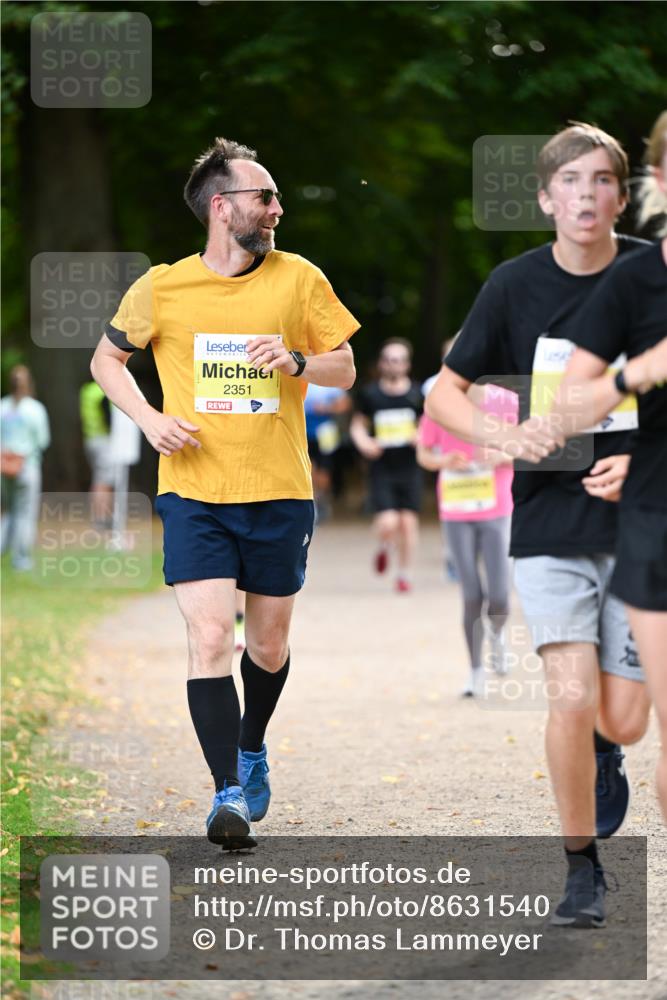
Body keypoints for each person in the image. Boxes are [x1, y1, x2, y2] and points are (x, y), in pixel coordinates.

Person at [90, 136, 359, 848]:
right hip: (194, 491)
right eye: (263, 197)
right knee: (209, 636)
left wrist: (299, 359)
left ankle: (251, 745)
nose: (276, 208)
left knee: (266, 648)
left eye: (273, 198)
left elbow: (346, 369)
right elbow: (106, 360)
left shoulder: (298, 278)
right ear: (221, 206)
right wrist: (149, 420)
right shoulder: (162, 286)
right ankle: (226, 794)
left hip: (278, 490)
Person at [425, 123, 652, 928]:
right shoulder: (512, 286)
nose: (585, 195)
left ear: (623, 197)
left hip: (639, 520)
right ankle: (580, 868)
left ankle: (605, 750)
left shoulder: (647, 274)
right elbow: (442, 392)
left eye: (601, 181)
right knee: (566, 693)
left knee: (619, 715)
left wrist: (643, 458)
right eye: (570, 182)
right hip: (549, 520)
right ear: (545, 198)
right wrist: (500, 437)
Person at [553, 110, 667, 822]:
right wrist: (638, 374)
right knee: (625, 718)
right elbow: (565, 408)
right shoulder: (631, 284)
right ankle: (605, 743)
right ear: (660, 179)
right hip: (656, 515)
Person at [418, 377, 517, 696]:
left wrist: (502, 455)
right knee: (471, 594)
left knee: (499, 595)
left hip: (496, 506)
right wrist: (442, 461)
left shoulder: (506, 402)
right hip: (456, 507)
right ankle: (475, 671)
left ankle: (498, 634)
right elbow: (424, 453)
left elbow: (528, 446)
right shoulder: (438, 402)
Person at [350, 338, 423, 593]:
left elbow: (428, 425)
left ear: (407, 365)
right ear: (382, 363)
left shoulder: (417, 394)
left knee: (408, 523)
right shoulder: (371, 394)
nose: (394, 364)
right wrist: (364, 443)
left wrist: (421, 436)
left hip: (409, 467)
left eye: (399, 360)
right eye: (390, 359)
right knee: (389, 522)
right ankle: (384, 546)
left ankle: (404, 574)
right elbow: (358, 425)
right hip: (381, 467)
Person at [1, 365, 50, 571]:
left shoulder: (2, 406)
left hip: (3, 467)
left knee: (8, 512)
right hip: (27, 466)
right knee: (25, 513)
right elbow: (43, 440)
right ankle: (21, 560)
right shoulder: (35, 409)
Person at [304, 382, 350, 522]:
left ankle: (322, 499)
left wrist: (326, 408)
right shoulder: (298, 374)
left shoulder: (327, 380)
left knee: (325, 468)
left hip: (326, 431)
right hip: (303, 430)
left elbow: (345, 404)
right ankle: (312, 500)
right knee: (307, 467)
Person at [79, 380, 116, 526]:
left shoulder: (87, 390)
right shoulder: (103, 388)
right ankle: (102, 517)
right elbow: (107, 415)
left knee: (98, 478)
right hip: (103, 439)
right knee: (104, 481)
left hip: (90, 438)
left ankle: (100, 515)